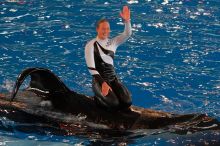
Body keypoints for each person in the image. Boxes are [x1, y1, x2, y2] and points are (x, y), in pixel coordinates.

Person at [85, 6, 132, 111]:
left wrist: (127, 21)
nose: (105, 31)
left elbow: (127, 34)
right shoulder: (90, 45)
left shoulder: (113, 42)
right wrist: (103, 83)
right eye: (103, 28)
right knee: (114, 104)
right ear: (97, 29)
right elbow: (91, 68)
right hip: (99, 81)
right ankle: (97, 98)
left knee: (127, 102)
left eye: (107, 29)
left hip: (113, 79)